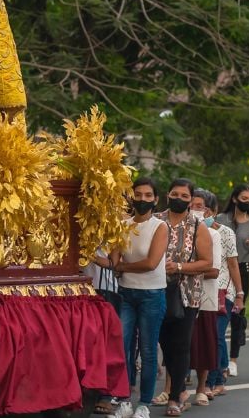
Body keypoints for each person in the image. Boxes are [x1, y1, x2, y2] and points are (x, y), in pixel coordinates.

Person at [153, 180, 215, 417]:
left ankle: (174, 397)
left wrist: (178, 267)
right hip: (154, 290)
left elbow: (207, 262)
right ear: (167, 195)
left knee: (180, 344)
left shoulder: (197, 226)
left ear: (190, 200)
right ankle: (178, 390)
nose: (179, 198)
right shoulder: (155, 220)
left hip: (186, 294)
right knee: (164, 342)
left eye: (184, 195)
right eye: (175, 194)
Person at [109, 178, 167, 418]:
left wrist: (123, 267)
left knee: (147, 350)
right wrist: (118, 264)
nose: (142, 199)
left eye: (147, 195)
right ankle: (124, 401)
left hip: (152, 295)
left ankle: (144, 404)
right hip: (126, 293)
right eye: (138, 194)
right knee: (123, 348)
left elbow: (151, 263)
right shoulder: (122, 225)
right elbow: (114, 258)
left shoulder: (160, 227)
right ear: (131, 197)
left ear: (155, 199)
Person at [191, 189, 240, 404]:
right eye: (193, 206)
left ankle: (210, 383)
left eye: (202, 208)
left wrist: (239, 293)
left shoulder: (224, 233)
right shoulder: (187, 229)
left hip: (221, 291)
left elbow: (233, 264)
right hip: (194, 289)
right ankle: (218, 377)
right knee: (201, 337)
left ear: (213, 211)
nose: (197, 211)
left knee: (216, 335)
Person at [216, 183, 249, 378]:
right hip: (221, 269)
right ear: (235, 199)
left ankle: (233, 359)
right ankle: (217, 358)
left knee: (237, 315)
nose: (247, 202)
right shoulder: (222, 219)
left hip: (242, 269)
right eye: (244, 199)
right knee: (219, 314)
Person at [85, 233, 124, 415]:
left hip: (106, 289)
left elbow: (113, 264)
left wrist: (90, 255)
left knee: (107, 344)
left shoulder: (113, 230)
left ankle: (106, 394)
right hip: (84, 290)